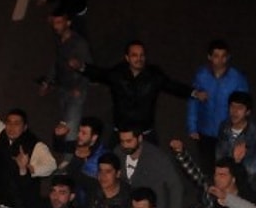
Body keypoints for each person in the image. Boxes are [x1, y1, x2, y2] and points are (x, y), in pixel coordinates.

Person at [73, 41, 206, 142]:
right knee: (112, 162)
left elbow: (172, 86)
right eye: (134, 55)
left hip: (145, 132)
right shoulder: (118, 74)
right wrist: (82, 67)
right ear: (127, 58)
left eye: (142, 55)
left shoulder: (154, 75)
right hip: (121, 131)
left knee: (152, 163)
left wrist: (194, 93)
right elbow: (100, 74)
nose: (139, 58)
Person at [186, 39, 250, 173]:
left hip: (227, 131)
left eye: (223, 56)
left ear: (228, 57)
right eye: (216, 56)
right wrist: (192, 126)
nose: (220, 60)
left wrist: (241, 131)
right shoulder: (201, 75)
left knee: (226, 168)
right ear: (209, 57)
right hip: (205, 130)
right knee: (207, 167)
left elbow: (244, 104)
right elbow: (193, 101)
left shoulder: (237, 78)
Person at [36, 10, 92, 139]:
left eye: (59, 22)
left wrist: (80, 87)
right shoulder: (59, 39)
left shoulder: (79, 44)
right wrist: (47, 82)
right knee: (65, 119)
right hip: (63, 87)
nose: (56, 26)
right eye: (54, 23)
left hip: (76, 89)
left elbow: (89, 68)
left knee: (70, 126)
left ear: (68, 23)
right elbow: (57, 61)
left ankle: (70, 149)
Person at [115, 128, 185, 208]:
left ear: (139, 138)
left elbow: (175, 185)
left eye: (129, 141)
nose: (125, 145)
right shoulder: (117, 153)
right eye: (122, 141)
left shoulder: (157, 158)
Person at [213, 91, 256, 186]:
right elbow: (219, 150)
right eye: (232, 106)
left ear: (247, 112)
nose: (235, 111)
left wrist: (247, 171)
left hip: (243, 181)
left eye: (240, 108)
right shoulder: (224, 126)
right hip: (225, 178)